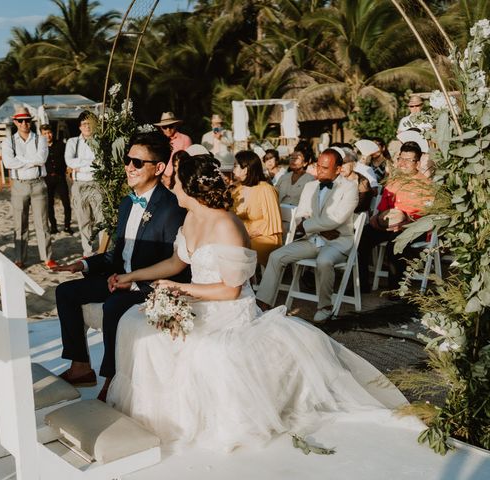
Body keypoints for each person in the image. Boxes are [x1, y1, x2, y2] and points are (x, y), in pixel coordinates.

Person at [107, 153, 409, 452]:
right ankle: (159, 414)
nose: (171, 189)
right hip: (198, 302)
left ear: (190, 188)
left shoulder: (226, 224)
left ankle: (197, 421)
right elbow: (175, 262)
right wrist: (130, 275)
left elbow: (231, 291)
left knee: (206, 350)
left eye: (175, 184)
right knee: (135, 323)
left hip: (229, 311)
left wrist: (181, 289)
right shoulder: (190, 218)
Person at [54, 131, 189, 401]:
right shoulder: (127, 203)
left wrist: (133, 280)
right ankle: (80, 366)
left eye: (138, 163)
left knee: (113, 305)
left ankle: (112, 378)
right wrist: (82, 265)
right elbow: (119, 253)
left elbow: (175, 262)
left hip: (150, 285)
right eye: (128, 160)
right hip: (120, 278)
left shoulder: (172, 207)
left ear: (159, 167)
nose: (129, 167)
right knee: (65, 292)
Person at [256, 149, 358, 324]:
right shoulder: (310, 186)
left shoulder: (349, 188)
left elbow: (336, 218)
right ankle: (262, 303)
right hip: (312, 239)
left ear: (338, 169)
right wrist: (313, 226)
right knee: (276, 256)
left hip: (338, 241)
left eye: (325, 168)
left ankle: (325, 307)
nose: (319, 171)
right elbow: (300, 214)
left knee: (324, 261)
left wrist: (309, 224)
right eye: (318, 166)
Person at [357, 141, 434, 293]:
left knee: (395, 244)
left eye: (408, 160)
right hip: (390, 224)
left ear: (417, 163)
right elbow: (383, 207)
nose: (403, 163)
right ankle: (361, 283)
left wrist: (404, 221)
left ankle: (395, 289)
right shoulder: (393, 181)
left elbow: (426, 215)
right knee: (362, 237)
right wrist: (378, 218)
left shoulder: (426, 185)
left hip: (414, 227)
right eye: (401, 158)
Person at [1, 106, 55, 270]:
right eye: (20, 120)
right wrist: (31, 161)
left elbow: (42, 159)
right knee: (20, 224)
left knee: (43, 224)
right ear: (15, 122)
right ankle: (19, 258)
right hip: (19, 186)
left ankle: (47, 258)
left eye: (27, 120)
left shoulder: (41, 139)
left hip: (38, 183)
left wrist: (21, 161)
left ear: (30, 122)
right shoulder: (8, 141)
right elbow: (8, 163)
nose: (24, 123)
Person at [231, 150, 282, 267]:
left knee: (233, 250)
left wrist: (245, 233)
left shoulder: (266, 189)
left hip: (264, 237)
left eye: (235, 166)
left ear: (246, 169)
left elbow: (271, 223)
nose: (233, 170)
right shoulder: (236, 189)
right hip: (241, 235)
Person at [65, 111, 104, 257]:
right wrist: (91, 164)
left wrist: (80, 166)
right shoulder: (72, 142)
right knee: (84, 220)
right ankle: (87, 251)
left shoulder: (100, 141)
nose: (87, 126)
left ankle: (102, 251)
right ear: (80, 126)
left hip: (97, 184)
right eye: (84, 124)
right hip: (79, 184)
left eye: (89, 123)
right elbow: (69, 161)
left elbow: (101, 164)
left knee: (101, 220)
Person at [40, 124, 72, 235]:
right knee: (49, 204)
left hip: (60, 178)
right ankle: (53, 227)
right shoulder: (40, 147)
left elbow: (67, 159)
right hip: (47, 179)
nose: (48, 135)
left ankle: (67, 226)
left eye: (49, 133)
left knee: (66, 203)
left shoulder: (61, 145)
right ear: (41, 135)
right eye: (45, 133)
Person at [154, 112, 192, 187]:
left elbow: (187, 163)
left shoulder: (185, 139)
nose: (168, 129)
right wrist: (164, 177)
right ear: (161, 128)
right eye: (165, 127)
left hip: (179, 181)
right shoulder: (157, 141)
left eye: (171, 126)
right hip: (160, 181)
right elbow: (155, 161)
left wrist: (172, 177)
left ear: (176, 125)